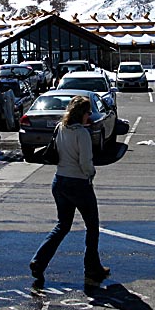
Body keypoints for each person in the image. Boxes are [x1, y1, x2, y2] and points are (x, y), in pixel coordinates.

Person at [29, 95, 110, 287]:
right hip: (78, 183)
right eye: (88, 113)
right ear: (81, 114)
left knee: (62, 225)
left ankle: (39, 261)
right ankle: (92, 267)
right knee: (92, 226)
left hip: (59, 181)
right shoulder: (82, 133)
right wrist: (91, 173)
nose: (89, 116)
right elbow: (85, 162)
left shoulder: (61, 128)